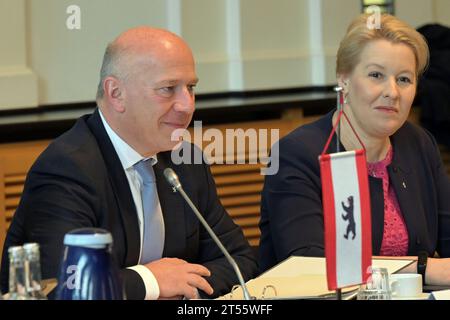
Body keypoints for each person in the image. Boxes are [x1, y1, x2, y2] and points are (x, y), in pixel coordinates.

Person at [0, 26, 258, 299]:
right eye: (168, 89)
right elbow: (63, 285)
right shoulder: (67, 169)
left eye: (191, 88)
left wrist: (182, 289)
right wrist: (151, 282)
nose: (187, 105)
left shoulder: (186, 162)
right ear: (116, 94)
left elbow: (238, 260)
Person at [259, 14, 450, 287]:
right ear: (344, 80)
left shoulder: (419, 143)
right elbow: (310, 266)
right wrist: (420, 267)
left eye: (404, 79)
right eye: (376, 75)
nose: (392, 92)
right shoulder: (296, 155)